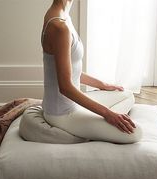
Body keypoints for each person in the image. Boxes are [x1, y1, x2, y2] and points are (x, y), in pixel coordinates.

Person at [41, 0, 143, 144]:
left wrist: (102, 85)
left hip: (74, 105)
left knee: (127, 95)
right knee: (135, 133)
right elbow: (65, 87)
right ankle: (88, 129)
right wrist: (108, 114)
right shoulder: (59, 27)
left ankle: (93, 122)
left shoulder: (63, 15)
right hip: (63, 114)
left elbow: (71, 72)